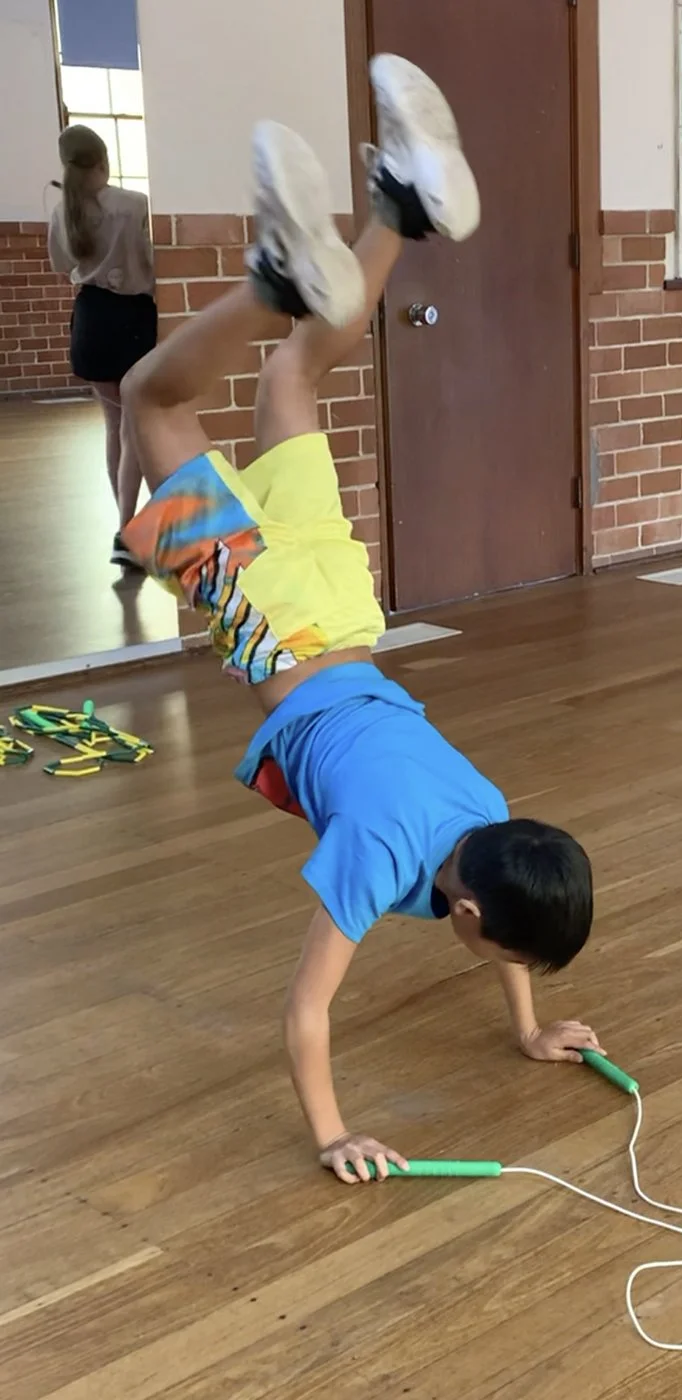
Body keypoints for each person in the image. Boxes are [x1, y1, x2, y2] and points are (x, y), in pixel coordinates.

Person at [120, 55, 601, 1185]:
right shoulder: (377, 850)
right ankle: (278, 273)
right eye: (509, 950)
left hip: (346, 602)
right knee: (155, 400)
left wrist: (528, 1029)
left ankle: (401, 203)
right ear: (472, 907)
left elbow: (505, 918)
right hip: (277, 632)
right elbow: (306, 1010)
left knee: (293, 382)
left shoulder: (487, 813)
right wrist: (336, 1134)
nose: (503, 961)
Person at [48, 125, 157, 569]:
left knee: (115, 428)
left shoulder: (61, 211)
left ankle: (126, 525)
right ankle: (128, 532)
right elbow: (152, 261)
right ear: (104, 160)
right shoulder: (135, 205)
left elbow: (61, 265)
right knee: (134, 430)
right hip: (133, 319)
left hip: (91, 320)